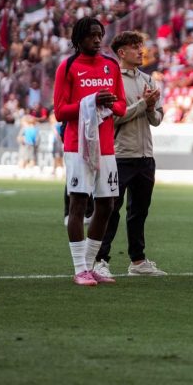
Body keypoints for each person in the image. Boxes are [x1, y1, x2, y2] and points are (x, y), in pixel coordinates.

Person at [54, 16, 127, 287]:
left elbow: (121, 106)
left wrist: (108, 104)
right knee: (79, 203)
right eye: (91, 36)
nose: (97, 40)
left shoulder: (111, 65)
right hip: (77, 145)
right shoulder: (68, 66)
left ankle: (90, 264)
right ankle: (79, 268)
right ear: (79, 39)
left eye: (100, 35)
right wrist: (91, 100)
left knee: (107, 203)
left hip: (106, 145)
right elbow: (60, 111)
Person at [92, 31, 166, 279]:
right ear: (121, 53)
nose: (140, 51)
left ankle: (138, 260)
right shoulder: (112, 81)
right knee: (111, 210)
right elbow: (114, 118)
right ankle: (100, 259)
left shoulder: (148, 79)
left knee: (140, 211)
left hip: (146, 156)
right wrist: (143, 105)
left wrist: (152, 107)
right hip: (120, 155)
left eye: (140, 46)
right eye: (135, 47)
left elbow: (156, 120)